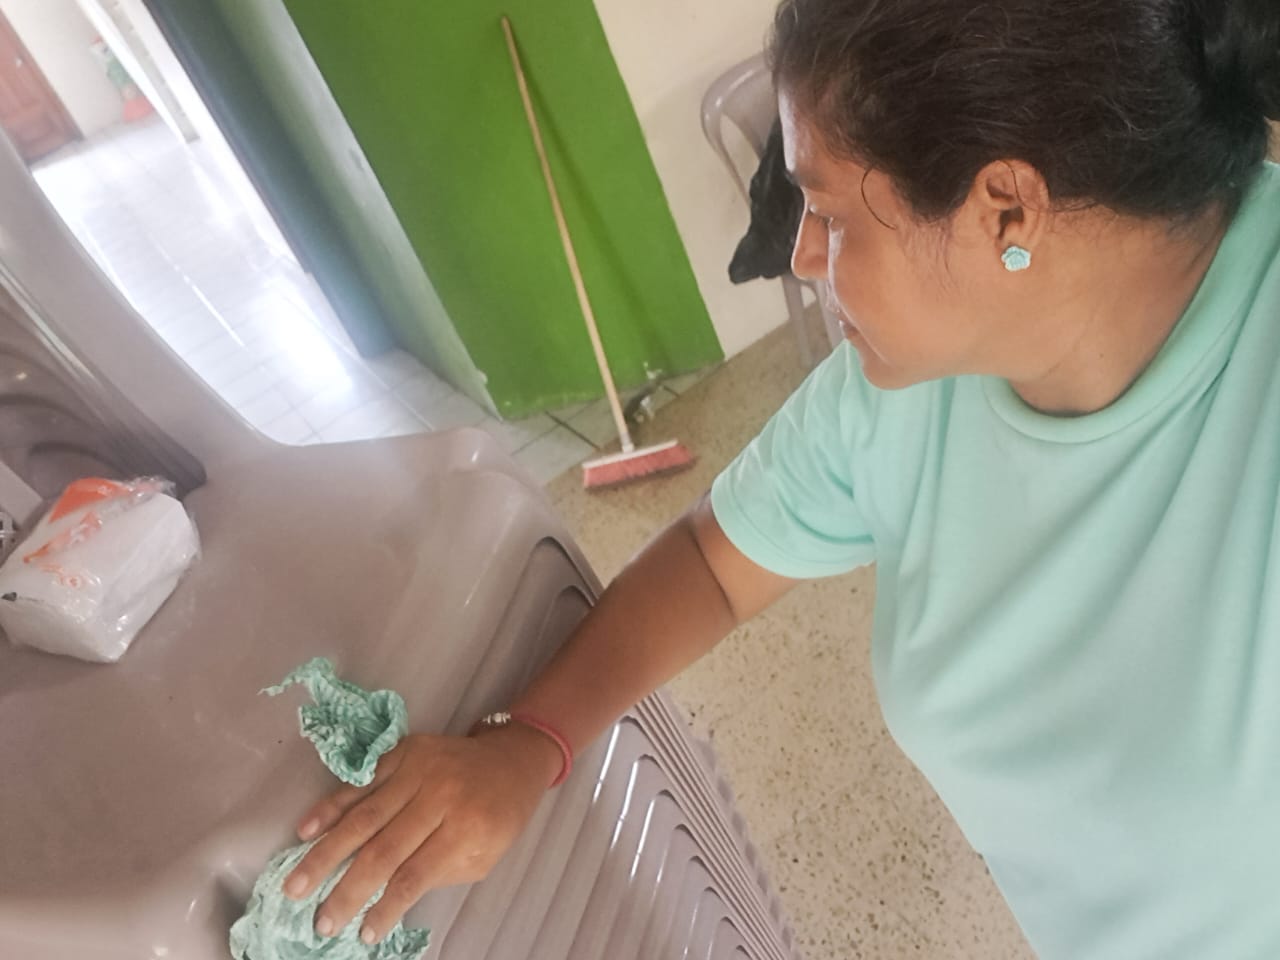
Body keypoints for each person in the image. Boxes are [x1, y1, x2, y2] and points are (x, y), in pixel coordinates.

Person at [281, 1, 1280, 956]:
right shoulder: (899, 394)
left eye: (832, 215)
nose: (800, 254)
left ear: (1006, 210)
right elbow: (714, 562)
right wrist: (528, 742)